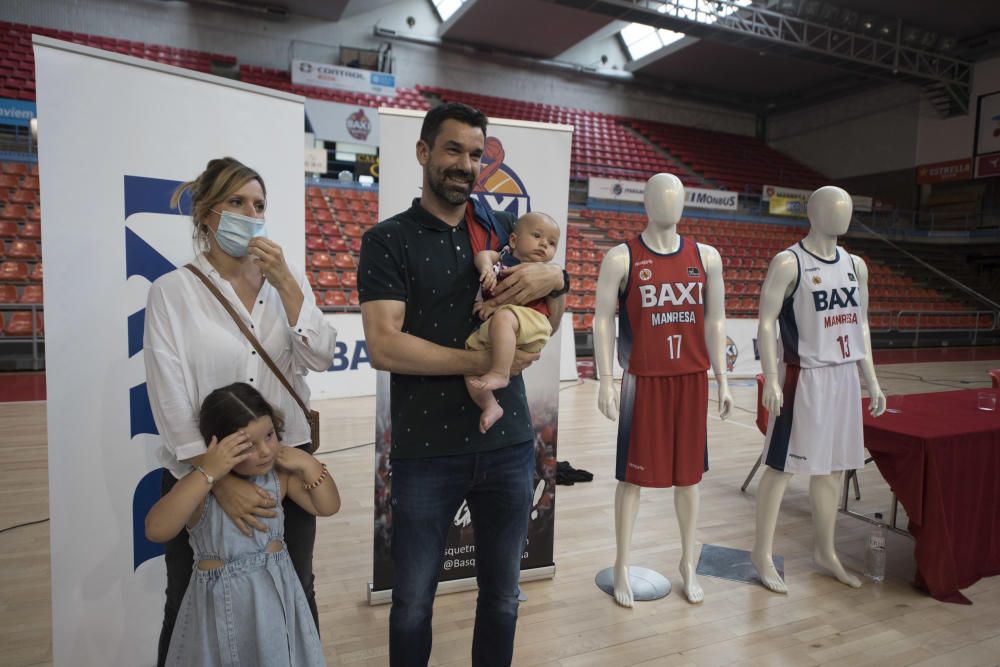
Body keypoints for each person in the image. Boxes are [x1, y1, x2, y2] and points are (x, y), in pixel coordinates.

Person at [358, 102, 568, 667]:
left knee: (502, 598)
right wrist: (475, 368)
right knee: (411, 606)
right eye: (453, 150)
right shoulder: (387, 240)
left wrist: (559, 277)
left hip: (508, 445)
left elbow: (552, 315)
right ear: (424, 152)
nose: (465, 164)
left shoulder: (503, 230)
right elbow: (384, 346)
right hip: (427, 451)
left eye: (475, 154)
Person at [144, 157, 338, 666]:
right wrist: (215, 478)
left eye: (259, 205)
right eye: (236, 203)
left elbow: (319, 356)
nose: (250, 215)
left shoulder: (284, 286)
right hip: (203, 470)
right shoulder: (173, 292)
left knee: (295, 588)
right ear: (208, 214)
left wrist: (292, 288)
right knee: (189, 598)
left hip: (281, 462)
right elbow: (170, 397)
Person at [593, 172, 732, 607]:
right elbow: (602, 320)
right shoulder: (622, 257)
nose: (668, 204)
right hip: (643, 381)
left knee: (689, 480)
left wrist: (723, 379)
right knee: (631, 479)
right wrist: (607, 380)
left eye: (675, 197)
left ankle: (688, 564)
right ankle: (621, 564)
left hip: (691, 379)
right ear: (646, 203)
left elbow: (715, 321)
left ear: (685, 203)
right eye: (659, 196)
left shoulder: (706, 256)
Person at [146, 382, 339, 666]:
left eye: (270, 435)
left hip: (273, 606)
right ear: (218, 446)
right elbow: (156, 529)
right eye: (248, 445)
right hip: (217, 613)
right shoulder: (200, 488)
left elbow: (328, 505)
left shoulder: (279, 478)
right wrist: (208, 473)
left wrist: (309, 465)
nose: (265, 451)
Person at [751, 185, 886, 593]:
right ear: (813, 212)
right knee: (781, 467)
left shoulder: (855, 264)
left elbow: (860, 324)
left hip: (844, 376)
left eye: (846, 209)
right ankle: (761, 553)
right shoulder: (789, 262)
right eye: (833, 208)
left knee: (833, 470)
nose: (841, 216)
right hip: (804, 375)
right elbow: (766, 320)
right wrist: (772, 377)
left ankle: (825, 552)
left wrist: (872, 380)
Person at [466, 211, 562, 433]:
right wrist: (487, 268)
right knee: (469, 356)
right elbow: (483, 255)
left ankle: (500, 373)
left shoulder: (542, 271)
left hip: (533, 321)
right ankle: (490, 405)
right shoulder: (506, 256)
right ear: (513, 240)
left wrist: (491, 306)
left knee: (504, 317)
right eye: (537, 235)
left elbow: (517, 298)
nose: (543, 244)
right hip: (506, 325)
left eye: (551, 243)